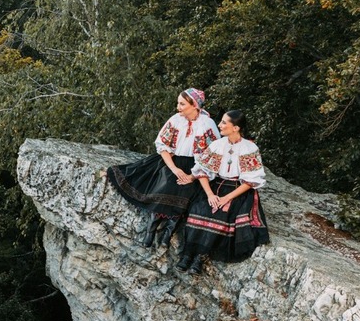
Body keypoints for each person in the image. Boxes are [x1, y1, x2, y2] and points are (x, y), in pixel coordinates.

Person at [106, 88, 220, 247]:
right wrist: (174, 169)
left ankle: (168, 232)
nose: (178, 107)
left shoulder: (207, 124)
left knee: (185, 191)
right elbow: (163, 147)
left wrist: (192, 176)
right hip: (171, 161)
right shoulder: (176, 119)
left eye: (182, 104)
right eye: (178, 103)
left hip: (195, 166)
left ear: (194, 105)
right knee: (165, 183)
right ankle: (151, 230)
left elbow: (211, 157)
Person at [174, 109, 270, 273]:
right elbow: (202, 171)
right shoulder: (217, 145)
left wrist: (226, 199)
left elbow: (250, 182)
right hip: (216, 185)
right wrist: (210, 195)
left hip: (237, 189)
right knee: (199, 209)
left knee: (222, 215)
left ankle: (201, 256)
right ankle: (188, 253)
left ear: (236, 128)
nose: (220, 125)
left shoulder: (249, 148)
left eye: (224, 122)